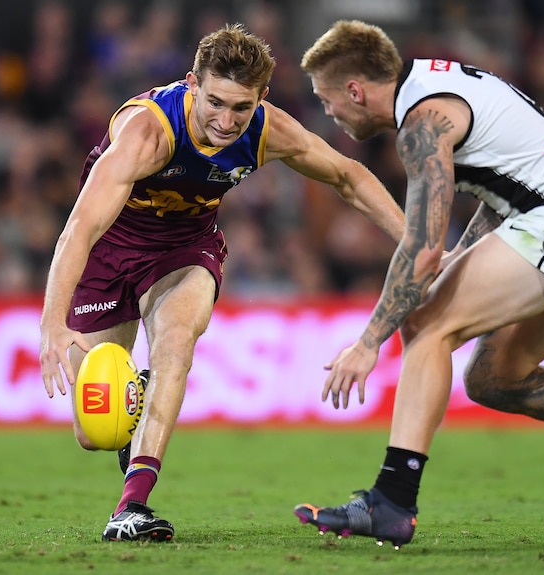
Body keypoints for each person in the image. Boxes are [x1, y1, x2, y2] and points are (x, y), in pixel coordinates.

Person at [292, 20, 544, 548]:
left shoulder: (423, 122)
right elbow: (503, 182)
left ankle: (392, 500)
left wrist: (368, 342)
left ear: (355, 90)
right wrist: (466, 256)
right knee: (492, 379)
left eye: (328, 101)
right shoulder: (441, 84)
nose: (330, 114)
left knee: (424, 323)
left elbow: (420, 250)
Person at [38, 23, 405, 542]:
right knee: (94, 432)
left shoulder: (266, 129)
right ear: (192, 84)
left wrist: (416, 243)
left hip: (184, 250)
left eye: (241, 107)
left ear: (262, 99)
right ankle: (136, 399)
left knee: (175, 343)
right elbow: (81, 229)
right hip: (107, 251)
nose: (226, 120)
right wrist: (52, 323)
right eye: (215, 103)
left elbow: (349, 176)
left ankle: (132, 506)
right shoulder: (148, 133)